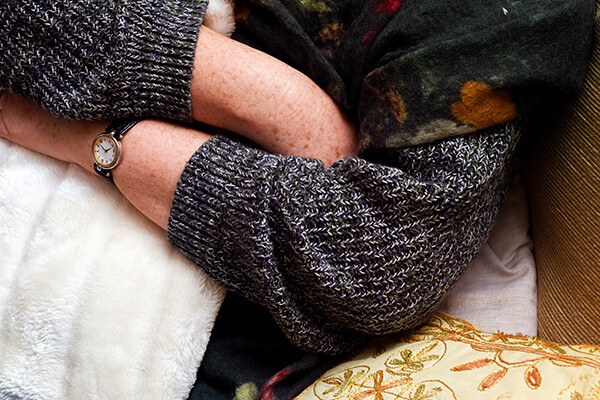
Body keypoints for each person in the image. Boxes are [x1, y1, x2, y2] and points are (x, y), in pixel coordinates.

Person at [0, 0, 595, 397]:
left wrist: (93, 139)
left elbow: (370, 259)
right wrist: (290, 106)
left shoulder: (497, 20)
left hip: (159, 322)